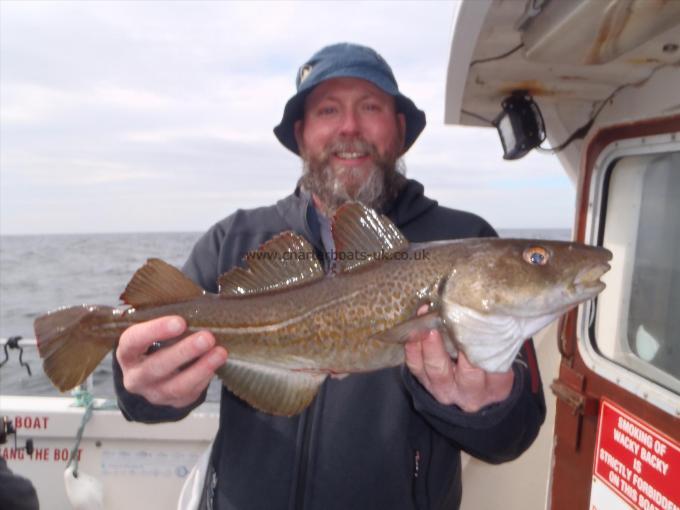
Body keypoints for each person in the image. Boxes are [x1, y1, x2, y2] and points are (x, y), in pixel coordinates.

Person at [113, 42, 546, 509]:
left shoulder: (466, 241)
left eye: (371, 107)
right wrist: (140, 385)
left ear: (400, 130)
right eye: (328, 110)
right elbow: (146, 384)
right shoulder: (233, 239)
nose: (349, 127)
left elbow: (513, 434)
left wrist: (490, 409)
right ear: (301, 135)